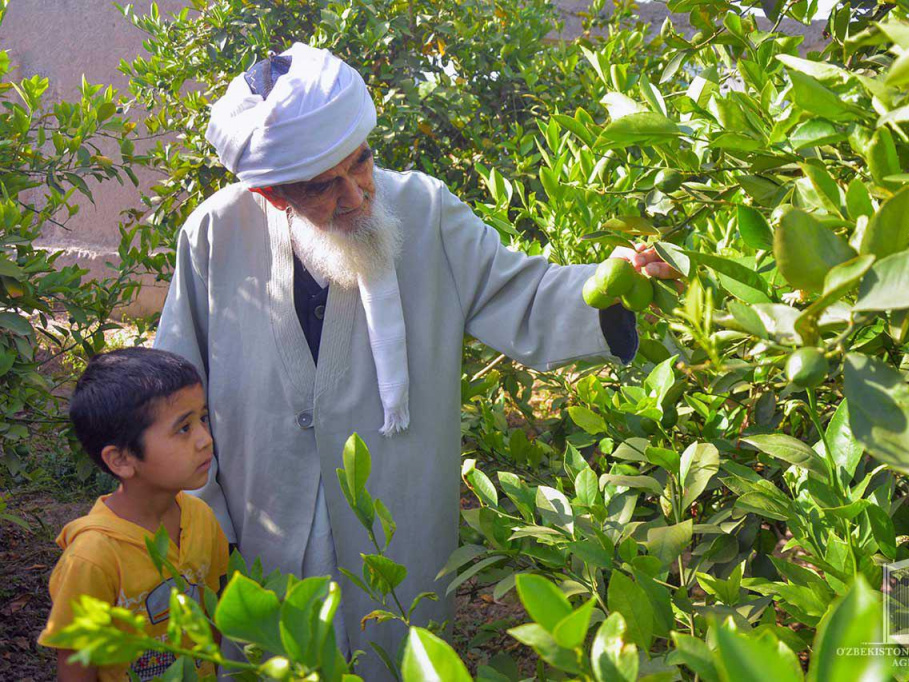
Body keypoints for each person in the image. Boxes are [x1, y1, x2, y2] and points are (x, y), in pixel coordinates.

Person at [153, 42, 679, 678]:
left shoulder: (426, 211)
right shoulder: (213, 234)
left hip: (394, 507)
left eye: (361, 164)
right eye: (323, 187)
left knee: (396, 652)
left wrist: (614, 283)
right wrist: (201, 517)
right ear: (270, 193)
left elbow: (521, 292)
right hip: (259, 508)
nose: (354, 196)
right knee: (271, 654)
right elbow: (176, 384)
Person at [38, 348, 230, 681]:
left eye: (202, 418)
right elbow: (76, 665)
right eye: (183, 428)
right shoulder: (93, 557)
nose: (205, 439)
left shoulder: (202, 519)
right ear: (122, 460)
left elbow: (212, 623)